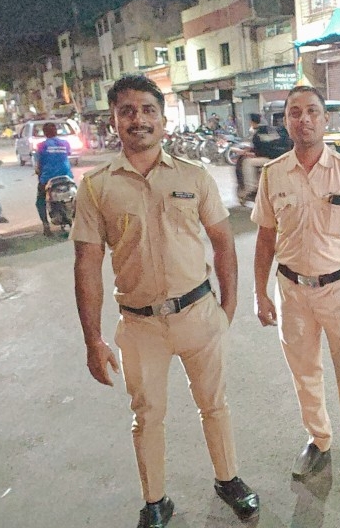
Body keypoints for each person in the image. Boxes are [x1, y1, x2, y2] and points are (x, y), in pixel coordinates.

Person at [70, 75, 259, 528]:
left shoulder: (193, 176)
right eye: (127, 111)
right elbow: (87, 265)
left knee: (214, 404)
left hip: (197, 313)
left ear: (163, 119)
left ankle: (228, 479)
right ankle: (155, 501)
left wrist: (228, 308)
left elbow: (223, 242)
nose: (138, 119)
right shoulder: (96, 187)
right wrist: (93, 339)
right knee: (147, 416)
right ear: (114, 121)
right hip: (139, 327)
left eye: (148, 110)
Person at [251, 85, 340, 509]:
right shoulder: (273, 174)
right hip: (291, 292)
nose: (304, 119)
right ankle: (319, 440)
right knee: (305, 374)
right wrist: (260, 293)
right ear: (286, 121)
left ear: (325, 120)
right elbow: (265, 238)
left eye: (312, 111)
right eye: (295, 112)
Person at [35, 122, 73, 236]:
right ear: (56, 132)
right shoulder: (65, 143)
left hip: (48, 178)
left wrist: (38, 172)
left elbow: (39, 164)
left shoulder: (41, 145)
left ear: (45, 133)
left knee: (40, 200)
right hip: (66, 176)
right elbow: (68, 154)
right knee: (75, 197)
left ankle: (46, 225)